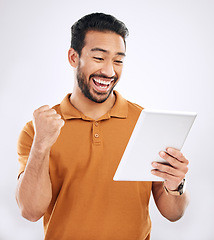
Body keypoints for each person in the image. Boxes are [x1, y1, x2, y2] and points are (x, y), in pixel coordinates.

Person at [16, 13, 189, 240]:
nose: (109, 72)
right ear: (73, 57)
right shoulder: (37, 130)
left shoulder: (146, 123)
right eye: (99, 58)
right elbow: (30, 212)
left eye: (118, 60)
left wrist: (176, 185)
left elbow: (173, 213)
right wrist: (41, 146)